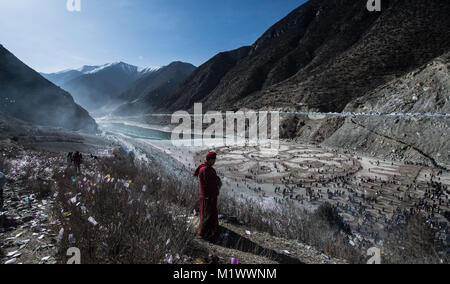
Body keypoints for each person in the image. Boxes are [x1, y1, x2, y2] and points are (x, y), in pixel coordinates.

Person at [194, 152, 222, 242]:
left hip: (206, 195)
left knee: (207, 214)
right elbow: (210, 184)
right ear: (210, 160)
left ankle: (207, 232)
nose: (214, 162)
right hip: (208, 196)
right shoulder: (206, 170)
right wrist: (217, 181)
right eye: (213, 160)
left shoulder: (204, 168)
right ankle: (206, 234)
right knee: (208, 215)